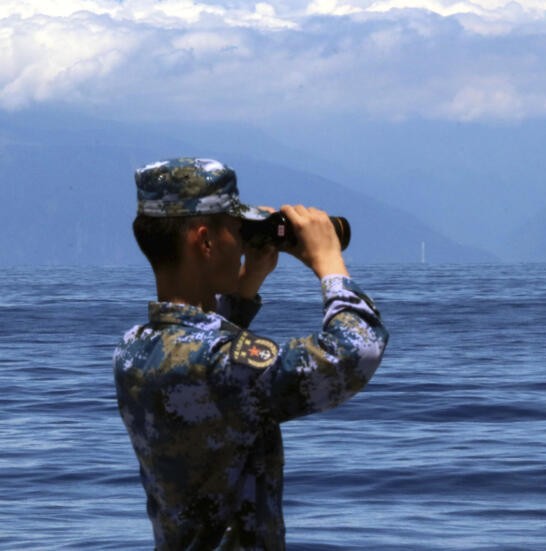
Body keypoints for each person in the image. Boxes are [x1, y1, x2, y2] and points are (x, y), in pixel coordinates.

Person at [113, 157, 388, 549]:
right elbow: (355, 352)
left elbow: (198, 345)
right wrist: (329, 263)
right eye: (237, 230)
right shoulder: (220, 365)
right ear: (205, 241)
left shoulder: (133, 349)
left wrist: (247, 282)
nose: (243, 244)